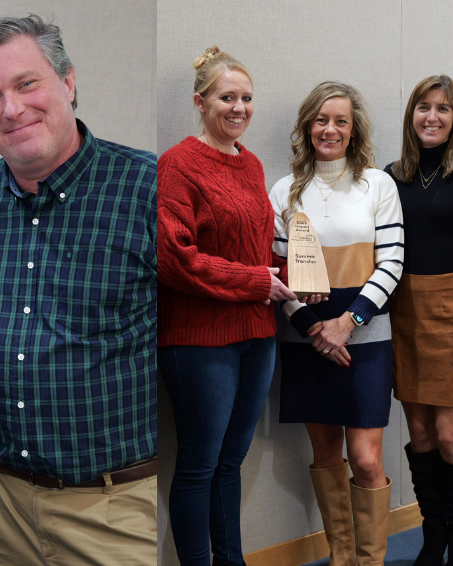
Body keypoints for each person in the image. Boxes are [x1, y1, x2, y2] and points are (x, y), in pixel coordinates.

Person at [0, 15, 157, 566]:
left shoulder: (150, 189)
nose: (11, 109)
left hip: (115, 510)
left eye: (26, 84)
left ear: (68, 82)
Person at [158, 46, 295, 566]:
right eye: (226, 97)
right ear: (200, 102)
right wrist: (257, 281)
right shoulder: (177, 165)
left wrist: (288, 280)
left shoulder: (252, 163)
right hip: (198, 339)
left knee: (231, 463)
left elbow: (258, 251)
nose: (239, 107)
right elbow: (173, 258)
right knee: (198, 464)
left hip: (257, 333)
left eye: (247, 98)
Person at [270, 81, 404, 566]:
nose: (330, 129)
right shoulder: (284, 190)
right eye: (321, 119)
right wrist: (313, 329)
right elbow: (278, 274)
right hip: (305, 337)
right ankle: (342, 559)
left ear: (354, 129)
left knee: (367, 459)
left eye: (340, 121)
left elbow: (392, 263)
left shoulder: (377, 184)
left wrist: (347, 323)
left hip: (365, 336)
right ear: (308, 126)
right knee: (326, 458)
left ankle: (370, 562)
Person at [385, 75, 453, 566]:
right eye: (423, 107)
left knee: (451, 435)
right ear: (411, 115)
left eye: (443, 109)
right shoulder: (391, 175)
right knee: (422, 434)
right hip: (405, 313)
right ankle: (434, 535)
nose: (432, 117)